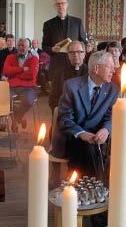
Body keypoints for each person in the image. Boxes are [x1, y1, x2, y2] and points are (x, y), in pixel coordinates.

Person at [51, 51, 119, 179]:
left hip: (97, 137)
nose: (114, 71)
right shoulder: (71, 86)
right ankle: (95, 186)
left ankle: (80, 187)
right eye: (110, 67)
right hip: (72, 136)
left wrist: (106, 129)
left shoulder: (112, 90)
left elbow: (110, 116)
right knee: (87, 148)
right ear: (97, 68)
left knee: (91, 148)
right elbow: (65, 118)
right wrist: (82, 134)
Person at [42, 0, 87, 80]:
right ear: (54, 6)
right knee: (58, 91)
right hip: (58, 64)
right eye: (57, 4)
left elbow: (83, 42)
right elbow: (44, 46)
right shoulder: (48, 24)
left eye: (62, 3)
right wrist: (52, 49)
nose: (60, 5)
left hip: (75, 62)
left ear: (67, 4)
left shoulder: (77, 22)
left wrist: (85, 49)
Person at [3, 38, 39, 132]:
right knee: (5, 100)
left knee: (29, 100)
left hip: (28, 87)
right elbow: (6, 71)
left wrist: (14, 74)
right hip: (12, 87)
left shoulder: (34, 59)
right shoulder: (10, 57)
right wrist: (22, 70)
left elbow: (32, 75)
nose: (20, 48)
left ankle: (17, 118)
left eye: (23, 45)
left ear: (28, 47)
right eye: (18, 45)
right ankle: (19, 118)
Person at [49, 41, 88, 111]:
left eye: (79, 52)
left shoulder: (90, 72)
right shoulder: (59, 73)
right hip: (65, 111)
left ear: (84, 54)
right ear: (68, 55)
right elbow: (53, 98)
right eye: (72, 52)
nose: (75, 55)